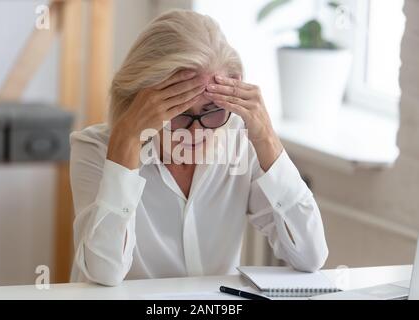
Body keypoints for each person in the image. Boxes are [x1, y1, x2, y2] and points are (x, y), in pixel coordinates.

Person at [69, 9, 328, 286]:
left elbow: (311, 256)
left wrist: (267, 138)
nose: (196, 131)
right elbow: (104, 272)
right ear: (140, 103)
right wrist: (127, 142)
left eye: (212, 110)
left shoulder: (240, 145)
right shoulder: (94, 149)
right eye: (177, 111)